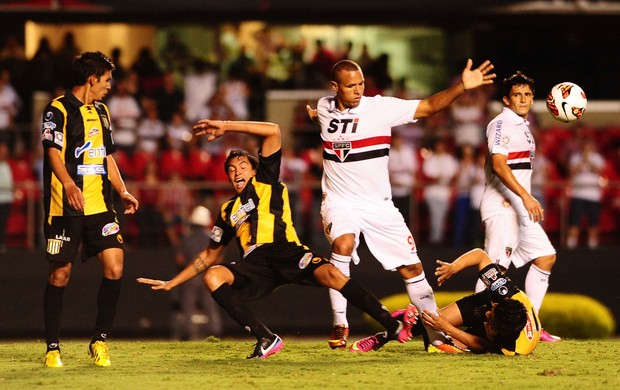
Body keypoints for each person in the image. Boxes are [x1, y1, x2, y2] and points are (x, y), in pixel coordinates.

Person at [137, 119, 418, 359]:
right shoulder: (226, 210)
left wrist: (226, 126)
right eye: (231, 170)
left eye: (242, 166)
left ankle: (389, 323)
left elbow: (273, 131)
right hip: (255, 264)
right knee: (212, 276)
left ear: (255, 169)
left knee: (332, 274)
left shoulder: (267, 181)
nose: (236, 172)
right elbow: (209, 254)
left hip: (286, 251)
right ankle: (266, 338)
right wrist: (173, 282)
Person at [306, 58, 496, 352]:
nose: (358, 90)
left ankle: (435, 338)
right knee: (342, 245)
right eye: (350, 86)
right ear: (335, 88)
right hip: (340, 201)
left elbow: (430, 106)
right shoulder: (323, 106)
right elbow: (322, 117)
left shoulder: (380, 108)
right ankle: (340, 322)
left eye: (361, 84)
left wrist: (461, 87)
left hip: (379, 205)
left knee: (412, 268)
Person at [41, 51, 139, 368]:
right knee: (60, 273)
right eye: (107, 80)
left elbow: (106, 156)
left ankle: (99, 341)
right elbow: (53, 152)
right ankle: (52, 347)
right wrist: (69, 184)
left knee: (115, 266)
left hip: (99, 207)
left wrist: (122, 190)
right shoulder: (57, 110)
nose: (110, 86)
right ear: (92, 78)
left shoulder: (102, 111)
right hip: (65, 206)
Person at [476, 71, 560, 342]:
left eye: (527, 95)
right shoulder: (501, 123)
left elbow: (489, 165)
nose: (522, 99)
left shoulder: (522, 125)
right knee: (495, 270)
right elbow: (499, 165)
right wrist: (525, 195)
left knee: (545, 256)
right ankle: (476, 326)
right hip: (504, 206)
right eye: (517, 95)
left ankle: (531, 325)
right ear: (506, 99)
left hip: (518, 208)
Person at [353, 248, 540, 355]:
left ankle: (396, 327)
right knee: (434, 320)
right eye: (493, 311)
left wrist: (448, 329)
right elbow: (481, 255)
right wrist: (454, 267)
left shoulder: (513, 348)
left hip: (497, 334)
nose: (487, 314)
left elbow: (483, 345)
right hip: (485, 302)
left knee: (453, 347)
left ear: (500, 333)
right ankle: (383, 337)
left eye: (490, 320)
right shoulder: (505, 293)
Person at [171, 205, 223, 340]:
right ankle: (214, 332)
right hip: (208, 278)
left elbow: (180, 259)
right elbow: (218, 259)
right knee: (210, 306)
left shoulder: (187, 238)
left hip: (190, 278)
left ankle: (187, 333)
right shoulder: (213, 238)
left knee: (188, 306)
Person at [566, 138, 605, 249]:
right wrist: (583, 160)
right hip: (578, 194)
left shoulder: (597, 158)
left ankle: (593, 241)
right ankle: (572, 241)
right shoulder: (575, 158)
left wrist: (589, 161)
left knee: (593, 219)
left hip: (593, 195)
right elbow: (572, 171)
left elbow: (599, 171)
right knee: (575, 218)